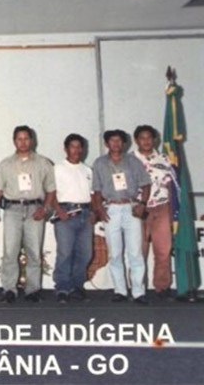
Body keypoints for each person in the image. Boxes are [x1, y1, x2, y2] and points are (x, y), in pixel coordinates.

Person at [0, 125, 56, 304]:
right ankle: (9, 289)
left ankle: (33, 289)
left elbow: (51, 190)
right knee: (10, 251)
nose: (23, 142)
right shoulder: (5, 164)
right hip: (13, 210)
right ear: (14, 141)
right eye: (19, 139)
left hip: (35, 209)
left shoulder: (43, 163)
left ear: (32, 140)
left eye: (26, 138)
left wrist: (45, 209)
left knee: (34, 251)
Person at [92, 129, 151, 305]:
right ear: (106, 144)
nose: (116, 144)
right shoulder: (99, 163)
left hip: (131, 208)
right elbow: (96, 190)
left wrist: (142, 204)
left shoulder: (133, 161)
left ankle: (139, 292)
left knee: (135, 252)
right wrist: (99, 210)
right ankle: (120, 290)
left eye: (119, 141)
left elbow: (146, 184)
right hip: (111, 209)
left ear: (124, 143)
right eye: (112, 141)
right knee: (115, 253)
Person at [52, 134, 95, 304]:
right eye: (72, 146)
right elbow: (50, 193)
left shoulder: (88, 170)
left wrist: (93, 212)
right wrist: (58, 210)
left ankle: (77, 286)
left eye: (79, 147)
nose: (76, 150)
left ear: (83, 149)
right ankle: (62, 287)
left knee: (85, 254)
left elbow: (92, 195)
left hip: (85, 214)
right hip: (66, 214)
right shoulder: (57, 168)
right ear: (66, 149)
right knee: (65, 253)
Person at [133, 125, 174, 300]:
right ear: (136, 140)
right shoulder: (129, 160)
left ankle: (162, 287)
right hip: (138, 208)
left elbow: (173, 185)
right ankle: (138, 288)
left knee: (163, 249)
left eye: (150, 137)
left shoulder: (165, 159)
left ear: (155, 140)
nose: (146, 141)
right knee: (139, 250)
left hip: (162, 207)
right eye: (142, 138)